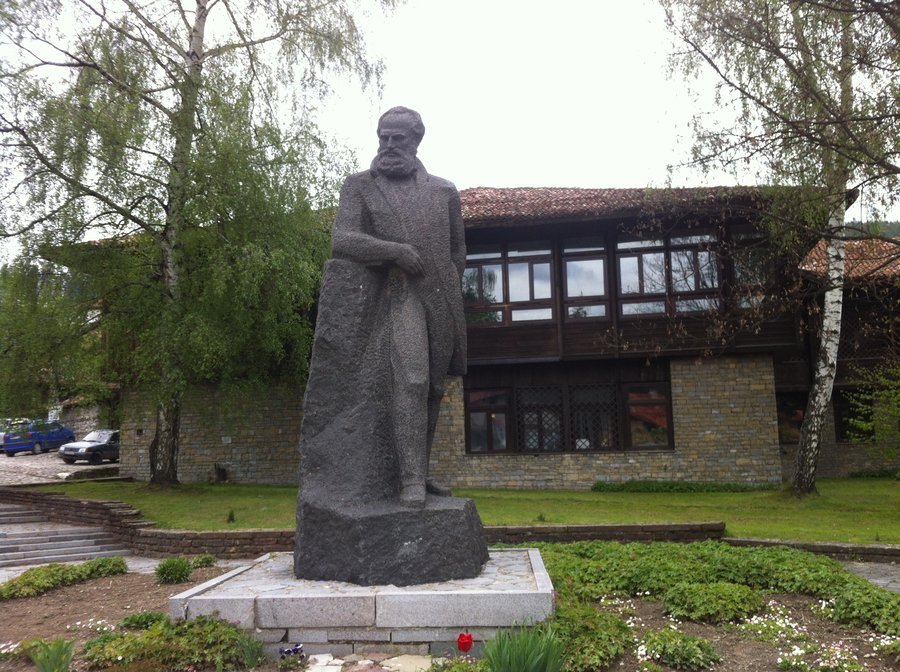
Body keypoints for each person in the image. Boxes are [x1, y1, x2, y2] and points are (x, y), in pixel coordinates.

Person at [328, 106, 466, 507]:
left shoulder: (444, 191)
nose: (388, 145)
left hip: (440, 298)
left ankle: (420, 469)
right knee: (413, 379)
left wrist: (446, 283)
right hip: (400, 294)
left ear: (416, 140)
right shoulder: (360, 186)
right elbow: (342, 240)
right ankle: (410, 481)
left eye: (397, 138)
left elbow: (458, 252)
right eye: (383, 136)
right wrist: (393, 252)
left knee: (434, 388)